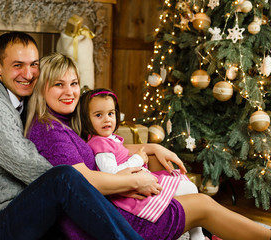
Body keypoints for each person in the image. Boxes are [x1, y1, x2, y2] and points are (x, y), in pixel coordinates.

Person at [25, 52, 271, 240]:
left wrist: (151, 148)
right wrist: (135, 181)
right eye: (59, 84)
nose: (70, 92)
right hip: (102, 222)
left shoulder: (62, 119)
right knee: (203, 205)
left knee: (167, 173)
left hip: (107, 205)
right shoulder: (49, 130)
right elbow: (81, 181)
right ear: (42, 87)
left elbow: (99, 147)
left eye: (74, 83)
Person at [0, 31, 147, 240]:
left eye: (34, 65)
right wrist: (111, 181)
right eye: (18, 65)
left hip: (21, 214)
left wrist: (143, 153)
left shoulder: (19, 105)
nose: (29, 74)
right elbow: (32, 168)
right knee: (64, 177)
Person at [78, 88, 206, 240]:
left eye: (111, 113)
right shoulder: (100, 144)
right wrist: (137, 159)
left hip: (140, 179)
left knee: (186, 187)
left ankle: (197, 233)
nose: (107, 119)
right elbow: (112, 175)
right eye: (99, 115)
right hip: (131, 190)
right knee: (189, 188)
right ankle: (197, 235)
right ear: (86, 119)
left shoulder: (108, 139)